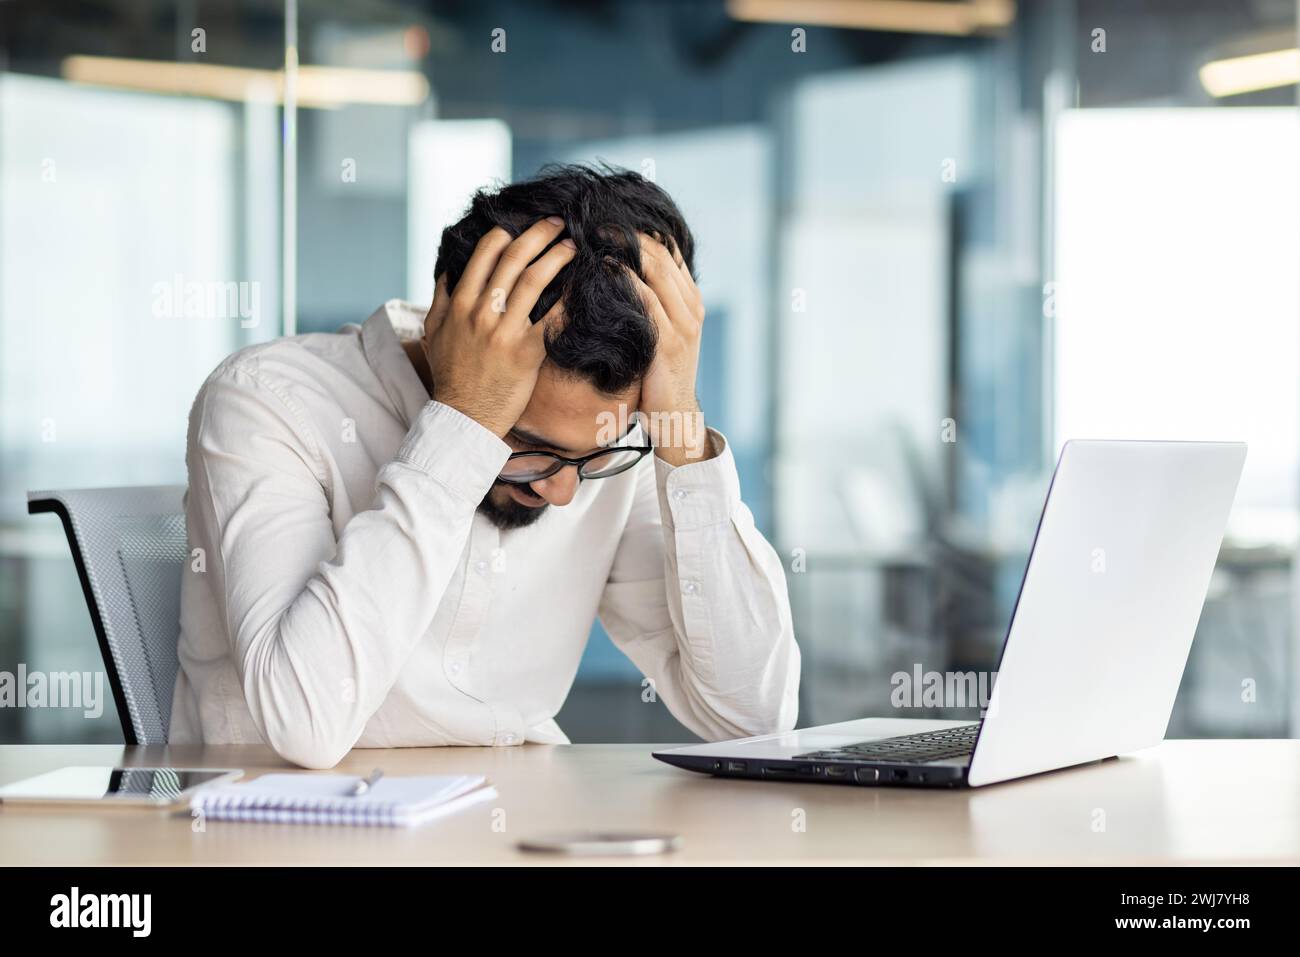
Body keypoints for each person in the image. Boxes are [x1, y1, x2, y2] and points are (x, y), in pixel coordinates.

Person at [169, 163, 800, 768]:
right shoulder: (269, 400)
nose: (560, 493)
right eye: (527, 444)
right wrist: (464, 421)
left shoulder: (606, 445)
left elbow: (752, 717)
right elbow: (304, 721)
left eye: (591, 456)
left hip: (517, 826)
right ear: (449, 326)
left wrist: (677, 430)